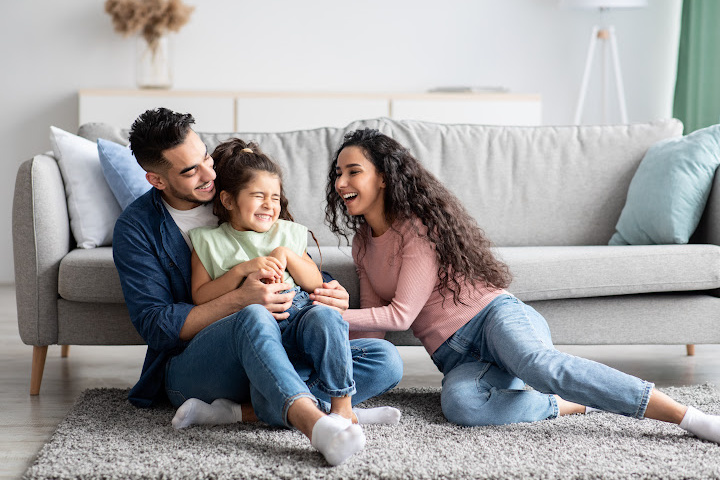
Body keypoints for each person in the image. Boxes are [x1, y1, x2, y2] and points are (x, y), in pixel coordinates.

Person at [324, 127, 720, 443]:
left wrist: (333, 313)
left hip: (494, 318)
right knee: (462, 406)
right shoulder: (362, 245)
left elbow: (401, 314)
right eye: (338, 173)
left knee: (539, 365)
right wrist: (322, 331)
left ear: (384, 177)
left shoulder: (416, 226)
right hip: (458, 358)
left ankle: (688, 417)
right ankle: (567, 405)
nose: (342, 182)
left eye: (353, 171)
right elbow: (377, 332)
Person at [112, 109, 403, 465]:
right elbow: (158, 326)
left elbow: (294, 267)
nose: (209, 175)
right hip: (202, 364)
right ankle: (316, 426)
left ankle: (247, 410)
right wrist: (239, 298)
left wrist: (328, 291)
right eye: (190, 171)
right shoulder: (137, 229)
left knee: (384, 358)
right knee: (254, 316)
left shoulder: (241, 184)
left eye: (205, 156)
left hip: (281, 345)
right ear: (157, 180)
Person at [185, 138, 400, 428]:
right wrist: (241, 272)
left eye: (275, 197)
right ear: (227, 200)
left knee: (384, 357)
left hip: (302, 326)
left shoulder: (287, 234)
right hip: (259, 341)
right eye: (258, 195)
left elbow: (313, 283)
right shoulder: (209, 242)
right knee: (271, 385)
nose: (269, 205)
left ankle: (341, 408)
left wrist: (286, 254)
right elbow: (200, 296)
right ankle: (325, 413)